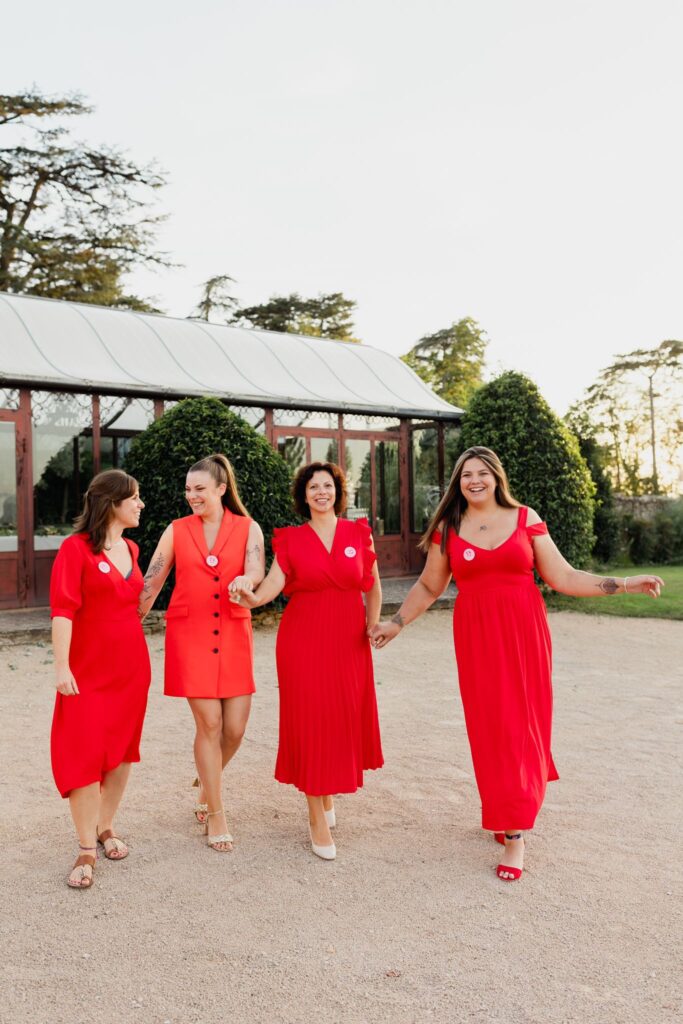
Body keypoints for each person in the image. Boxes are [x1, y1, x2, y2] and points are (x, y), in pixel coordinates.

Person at [370, 446, 663, 882]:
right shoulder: (449, 529)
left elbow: (563, 577)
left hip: (525, 636)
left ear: (496, 478)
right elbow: (430, 586)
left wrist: (624, 584)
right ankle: (511, 809)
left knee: (524, 724)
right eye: (466, 474)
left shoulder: (526, 519)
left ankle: (515, 831)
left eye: (482, 473)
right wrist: (396, 622)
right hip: (478, 640)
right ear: (458, 482)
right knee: (494, 728)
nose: (474, 480)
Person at [229, 462, 384, 861]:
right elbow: (268, 590)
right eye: (314, 487)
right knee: (313, 720)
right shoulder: (293, 540)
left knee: (340, 718)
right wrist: (246, 593)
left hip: (349, 642)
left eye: (328, 486)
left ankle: (327, 797)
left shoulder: (358, 533)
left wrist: (372, 627)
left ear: (338, 492)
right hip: (303, 642)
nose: (321, 492)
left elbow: (373, 585)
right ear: (304, 494)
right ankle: (316, 814)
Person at [139, 454, 264, 852]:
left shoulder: (249, 528)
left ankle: (206, 781)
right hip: (189, 635)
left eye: (200, 489)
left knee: (235, 730)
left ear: (221, 490)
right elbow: (151, 581)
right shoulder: (176, 530)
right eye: (188, 489)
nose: (191, 496)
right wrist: (124, 619)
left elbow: (256, 569)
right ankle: (216, 812)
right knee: (208, 724)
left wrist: (246, 579)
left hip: (233, 630)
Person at [50, 470, 150, 890]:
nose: (141, 504)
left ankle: (105, 826)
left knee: (123, 751)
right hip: (88, 670)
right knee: (85, 751)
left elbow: (135, 603)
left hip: (132, 669)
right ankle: (85, 846)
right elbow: (62, 610)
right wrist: (61, 666)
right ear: (111, 503)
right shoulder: (75, 550)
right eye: (135, 498)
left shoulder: (131, 547)